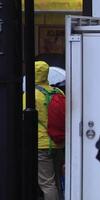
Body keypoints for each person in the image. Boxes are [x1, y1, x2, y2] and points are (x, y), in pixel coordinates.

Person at [23, 61, 64, 200]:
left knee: (47, 184)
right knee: (57, 180)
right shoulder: (58, 91)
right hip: (58, 142)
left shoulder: (30, 95)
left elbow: (22, 117)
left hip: (41, 145)